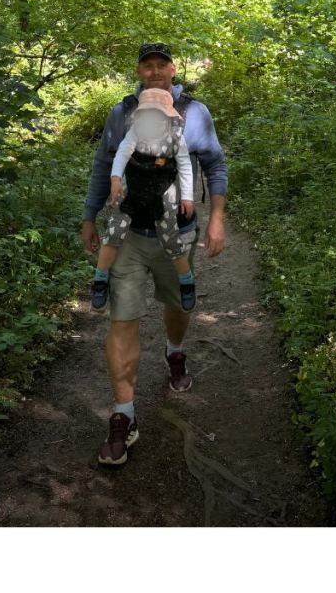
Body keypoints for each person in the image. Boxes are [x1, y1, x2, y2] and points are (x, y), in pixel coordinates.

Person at [82, 42, 227, 467]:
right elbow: (103, 164)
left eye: (162, 64)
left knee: (176, 305)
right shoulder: (121, 112)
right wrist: (90, 216)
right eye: (148, 65)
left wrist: (216, 217)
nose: (155, 71)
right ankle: (123, 416)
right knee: (121, 319)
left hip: (175, 232)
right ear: (139, 71)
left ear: (173, 68)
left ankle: (174, 348)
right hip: (126, 233)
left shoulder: (195, 113)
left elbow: (213, 165)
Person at [90, 86, 197, 313]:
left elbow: (186, 166)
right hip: (133, 188)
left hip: (163, 191)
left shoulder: (176, 137)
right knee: (114, 231)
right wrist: (116, 178)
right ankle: (100, 279)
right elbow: (122, 153)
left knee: (170, 237)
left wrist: (187, 197)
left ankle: (186, 281)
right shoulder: (135, 132)